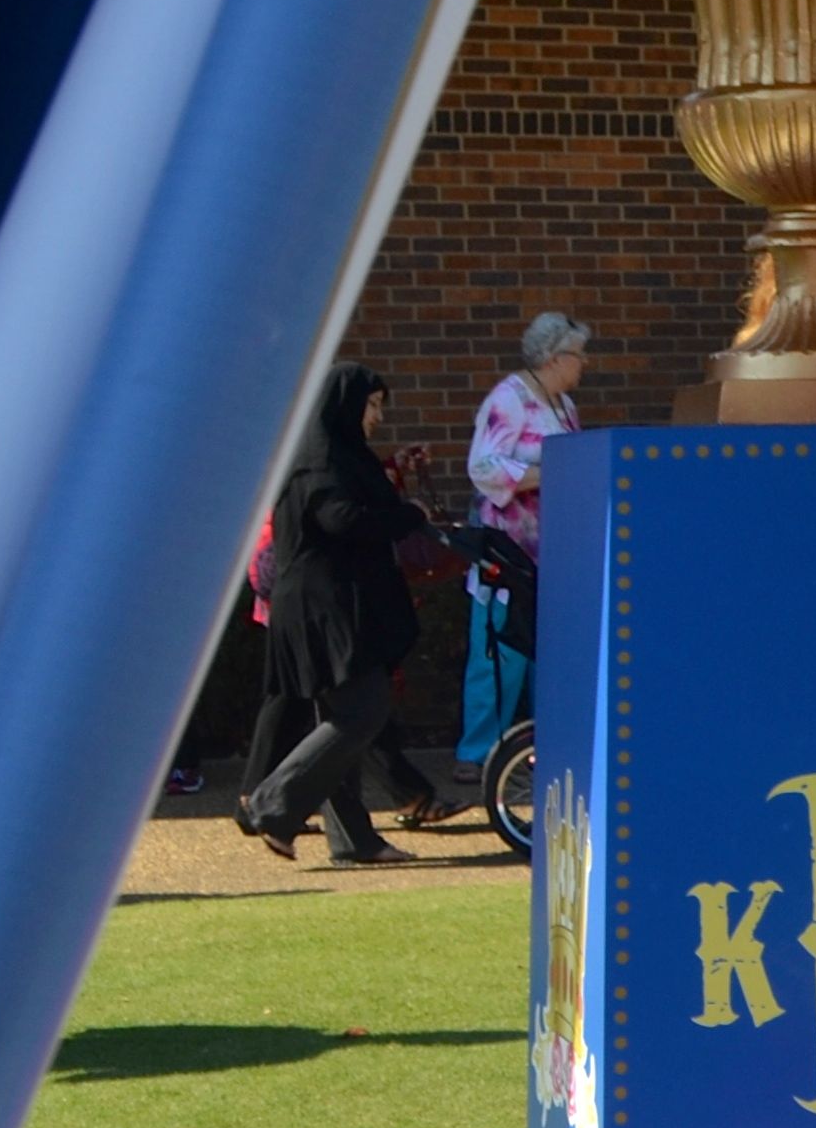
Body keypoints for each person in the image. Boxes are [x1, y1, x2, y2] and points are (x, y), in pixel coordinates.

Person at [248, 364, 434, 865]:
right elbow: (343, 520)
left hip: (330, 605)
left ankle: (353, 840)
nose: (376, 417)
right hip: (323, 610)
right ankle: (274, 802)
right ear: (346, 406)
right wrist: (409, 515)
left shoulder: (338, 457)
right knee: (361, 711)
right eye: (372, 406)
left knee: (340, 718)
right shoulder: (321, 463)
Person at [464, 314, 587, 766]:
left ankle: (544, 749)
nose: (584, 364)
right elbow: (483, 468)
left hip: (553, 554)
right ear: (556, 358)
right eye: (578, 355)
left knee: (545, 655)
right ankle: (477, 754)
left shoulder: (565, 406)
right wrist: (545, 475)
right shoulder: (508, 400)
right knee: (500, 657)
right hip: (509, 552)